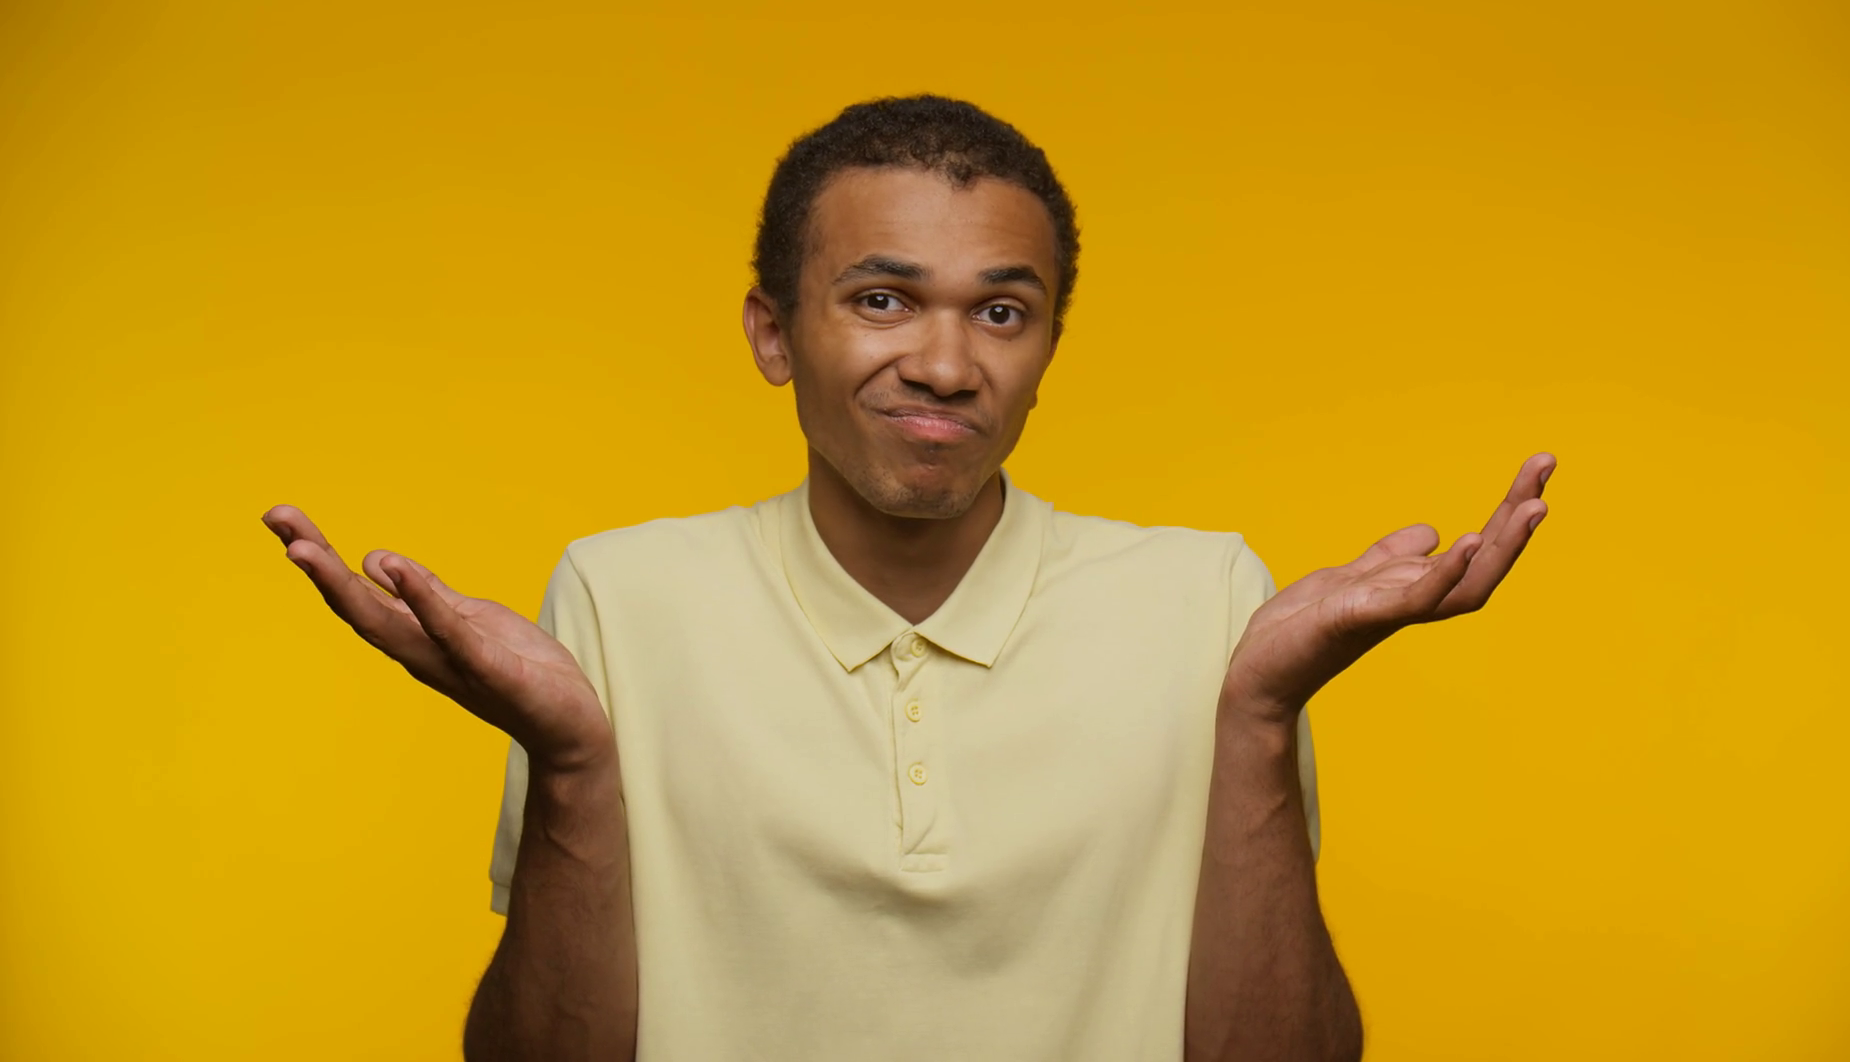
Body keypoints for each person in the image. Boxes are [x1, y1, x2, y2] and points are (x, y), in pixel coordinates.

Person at [262, 94, 1553, 1062]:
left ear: (1048, 348)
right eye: (882, 300)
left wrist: (1261, 714)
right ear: (773, 333)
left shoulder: (1208, 598)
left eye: (1002, 311)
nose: (945, 364)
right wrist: (573, 765)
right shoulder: (620, 595)